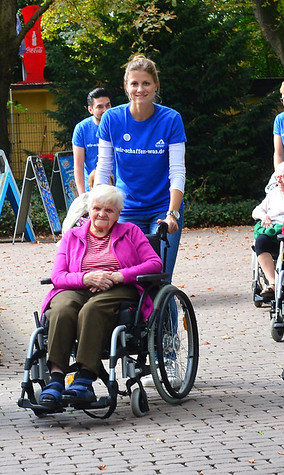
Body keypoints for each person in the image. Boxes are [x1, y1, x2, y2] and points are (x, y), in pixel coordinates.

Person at [37, 185, 163, 409]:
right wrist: (86, 279)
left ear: (118, 213)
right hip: (79, 285)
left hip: (119, 287)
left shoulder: (131, 231)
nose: (102, 214)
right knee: (62, 308)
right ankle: (56, 380)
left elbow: (155, 264)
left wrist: (118, 276)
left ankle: (84, 378)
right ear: (88, 210)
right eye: (97, 208)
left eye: (109, 210)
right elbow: (57, 276)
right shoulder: (72, 237)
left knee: (92, 309)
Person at [95, 54, 185, 278]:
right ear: (126, 86)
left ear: (156, 85)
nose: (140, 89)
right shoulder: (111, 119)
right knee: (127, 279)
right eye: (134, 83)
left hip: (162, 209)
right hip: (126, 210)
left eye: (146, 83)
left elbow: (177, 171)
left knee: (160, 279)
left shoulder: (171, 119)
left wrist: (172, 214)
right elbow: (104, 169)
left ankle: (166, 314)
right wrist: (96, 207)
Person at [252, 162, 284, 299]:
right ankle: (273, 283)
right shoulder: (274, 193)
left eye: (282, 176)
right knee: (260, 241)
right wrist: (264, 216)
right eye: (277, 177)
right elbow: (256, 210)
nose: (278, 180)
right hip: (273, 233)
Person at [72, 88, 112, 195]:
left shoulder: (119, 125)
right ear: (90, 110)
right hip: (92, 189)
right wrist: (82, 196)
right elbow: (78, 165)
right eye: (100, 107)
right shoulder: (81, 129)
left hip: (116, 188)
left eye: (108, 105)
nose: (105, 110)